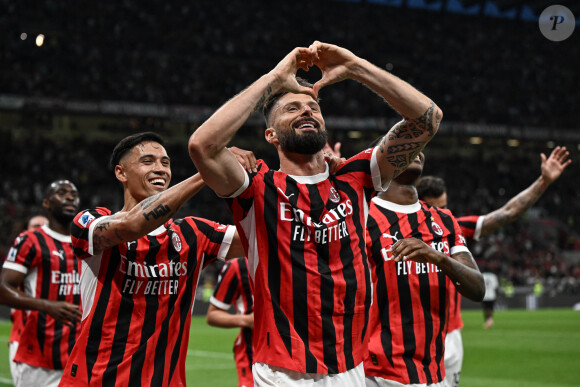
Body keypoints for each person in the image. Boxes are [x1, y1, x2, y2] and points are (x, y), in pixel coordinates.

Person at [189, 41, 442, 385]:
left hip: (351, 366)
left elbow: (427, 120)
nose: (307, 111)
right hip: (285, 372)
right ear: (271, 135)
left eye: (313, 107)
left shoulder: (357, 177)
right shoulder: (256, 187)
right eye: (291, 108)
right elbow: (201, 146)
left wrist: (356, 67)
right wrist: (274, 78)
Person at [58, 132, 249, 386]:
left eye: (165, 162)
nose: (160, 169)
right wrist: (207, 171)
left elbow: (266, 238)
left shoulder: (194, 233)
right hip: (95, 380)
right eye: (148, 161)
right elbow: (132, 225)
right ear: (121, 173)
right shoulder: (90, 221)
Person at [417, 145, 571, 387]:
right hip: (411, 334)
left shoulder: (454, 227)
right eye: (437, 207)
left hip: (450, 335)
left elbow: (508, 213)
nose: (444, 212)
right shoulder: (396, 232)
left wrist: (543, 182)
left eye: (446, 206)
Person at [364, 151, 484, 387]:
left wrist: (439, 258)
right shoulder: (362, 216)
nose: (416, 149)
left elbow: (478, 289)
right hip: (378, 373)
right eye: (406, 144)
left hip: (433, 373)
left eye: (420, 144)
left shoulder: (444, 220)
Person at [0, 180, 82, 387]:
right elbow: (3, 290)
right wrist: (47, 305)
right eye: (62, 193)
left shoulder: (87, 243)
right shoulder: (30, 240)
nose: (70, 197)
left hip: (78, 355)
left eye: (73, 194)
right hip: (39, 356)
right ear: (46, 203)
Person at [3, 214, 49, 381]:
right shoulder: (20, 261)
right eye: (36, 225)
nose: (41, 230)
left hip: (55, 343)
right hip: (24, 339)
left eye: (45, 226)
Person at [207, 256, 255, 387]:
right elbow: (212, 315)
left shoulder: (291, 260)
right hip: (251, 355)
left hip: (289, 355)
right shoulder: (237, 267)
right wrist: (248, 320)